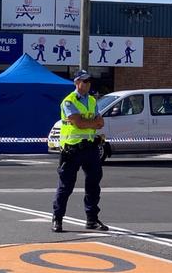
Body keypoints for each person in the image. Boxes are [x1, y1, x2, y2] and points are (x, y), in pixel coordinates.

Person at [52, 70, 107, 233]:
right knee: (66, 186)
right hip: (72, 149)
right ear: (77, 83)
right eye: (84, 81)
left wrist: (87, 122)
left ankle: (92, 219)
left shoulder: (91, 100)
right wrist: (91, 123)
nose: (87, 84)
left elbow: (101, 122)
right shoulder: (68, 101)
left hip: (90, 148)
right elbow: (79, 123)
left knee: (93, 185)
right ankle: (57, 218)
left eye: (89, 81)